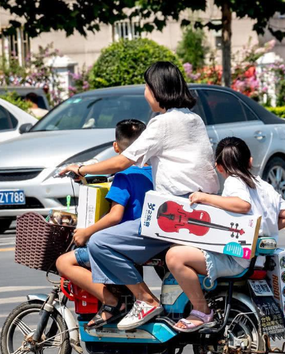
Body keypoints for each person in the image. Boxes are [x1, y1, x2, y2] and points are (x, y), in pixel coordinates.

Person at [60, 61, 219, 330]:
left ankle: (144, 299)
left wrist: (82, 168)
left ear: (157, 90)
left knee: (100, 242)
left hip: (172, 214)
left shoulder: (163, 123)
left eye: (147, 86)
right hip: (200, 210)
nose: (145, 92)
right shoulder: (194, 119)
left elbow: (122, 161)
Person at [165, 137, 285, 332]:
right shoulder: (264, 185)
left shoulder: (234, 181)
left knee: (174, 257)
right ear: (250, 161)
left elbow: (242, 205)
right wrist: (262, 233)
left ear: (218, 167)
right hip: (259, 259)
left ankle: (201, 310)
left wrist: (205, 197)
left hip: (237, 260)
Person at [55, 119, 153, 329]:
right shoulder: (155, 171)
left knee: (63, 262)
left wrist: (86, 232)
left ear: (116, 147)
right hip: (150, 241)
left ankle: (112, 302)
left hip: (126, 244)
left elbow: (115, 216)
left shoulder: (123, 176)